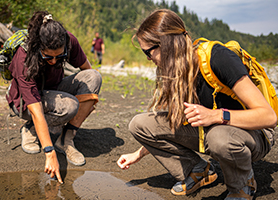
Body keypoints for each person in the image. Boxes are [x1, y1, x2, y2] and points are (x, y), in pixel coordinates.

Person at [116, 9, 276, 200]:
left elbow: (269, 117)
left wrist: (216, 115)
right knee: (139, 124)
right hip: (212, 130)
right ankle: (198, 171)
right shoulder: (176, 70)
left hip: (254, 134)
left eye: (148, 53)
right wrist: (138, 153)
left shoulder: (218, 58)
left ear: (166, 45)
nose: (148, 59)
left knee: (219, 136)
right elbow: (177, 120)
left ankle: (241, 185)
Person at [6, 11, 102, 183]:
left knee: (94, 77)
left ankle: (66, 139)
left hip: (54, 90)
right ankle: (31, 129)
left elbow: (88, 71)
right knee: (70, 106)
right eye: (48, 57)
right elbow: (36, 111)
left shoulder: (69, 40)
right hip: (23, 103)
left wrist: (89, 99)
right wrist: (49, 153)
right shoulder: (24, 59)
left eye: (60, 57)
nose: (53, 61)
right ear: (37, 47)